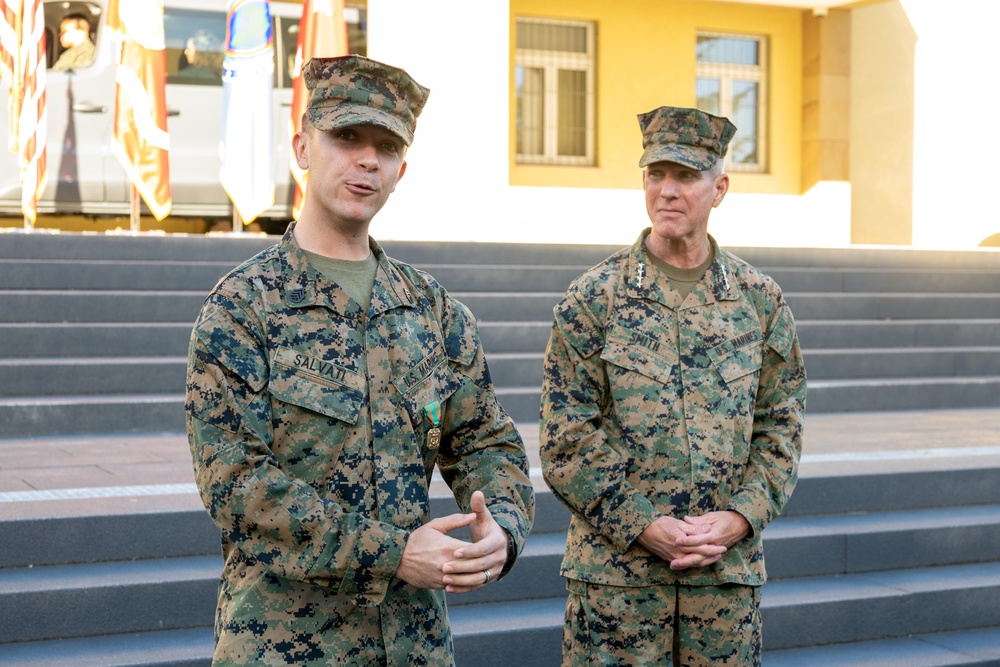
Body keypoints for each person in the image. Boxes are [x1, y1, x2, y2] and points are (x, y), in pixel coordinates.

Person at [186, 55, 534, 666]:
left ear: (402, 169)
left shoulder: (432, 311)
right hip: (282, 643)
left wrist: (500, 526)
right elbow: (235, 483)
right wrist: (391, 552)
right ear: (302, 145)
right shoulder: (245, 307)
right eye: (347, 137)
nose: (368, 159)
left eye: (387, 145)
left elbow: (485, 442)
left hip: (412, 644)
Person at [539, 106, 807, 666]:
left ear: (720, 188)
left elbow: (779, 427)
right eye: (654, 175)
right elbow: (566, 438)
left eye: (685, 176)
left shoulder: (759, 302)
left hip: (723, 581)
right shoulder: (594, 298)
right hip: (619, 586)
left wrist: (738, 519)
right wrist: (643, 526)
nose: (667, 190)